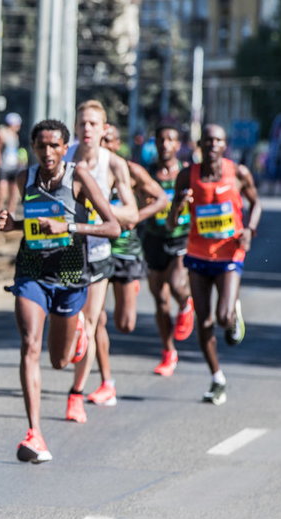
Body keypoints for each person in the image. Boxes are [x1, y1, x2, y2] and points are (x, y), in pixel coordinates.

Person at [0, 119, 121, 463]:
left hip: (69, 272)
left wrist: (68, 225)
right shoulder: (26, 178)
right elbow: (34, 223)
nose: (48, 152)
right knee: (29, 344)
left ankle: (78, 329)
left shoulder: (77, 176)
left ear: (65, 148)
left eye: (55, 146)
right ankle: (34, 432)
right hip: (32, 270)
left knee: (59, 361)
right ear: (33, 148)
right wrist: (14, 225)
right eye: (41, 146)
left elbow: (112, 226)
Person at [170, 124, 261, 406]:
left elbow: (256, 204)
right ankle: (217, 377)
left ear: (225, 145)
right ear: (200, 144)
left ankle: (233, 311)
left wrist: (250, 230)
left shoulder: (239, 173)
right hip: (198, 255)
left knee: (222, 318)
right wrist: (179, 205)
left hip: (229, 254)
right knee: (204, 320)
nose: (212, 145)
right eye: (208, 140)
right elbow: (172, 222)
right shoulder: (188, 175)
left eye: (218, 141)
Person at [62, 101, 139, 423]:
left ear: (104, 128)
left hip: (97, 255)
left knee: (91, 325)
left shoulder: (114, 164)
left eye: (94, 124)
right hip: (64, 253)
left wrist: (101, 208)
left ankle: (76, 395)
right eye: (82, 124)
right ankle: (72, 338)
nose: (87, 129)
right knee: (67, 327)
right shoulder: (63, 157)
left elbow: (131, 214)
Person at [87, 125, 167, 406]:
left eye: (109, 141)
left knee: (124, 324)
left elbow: (161, 198)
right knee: (96, 319)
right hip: (97, 250)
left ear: (117, 143)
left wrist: (135, 217)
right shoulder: (85, 169)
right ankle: (106, 381)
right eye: (101, 140)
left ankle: (130, 287)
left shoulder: (128, 169)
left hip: (125, 250)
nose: (104, 145)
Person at [141, 125, 195, 377]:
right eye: (161, 139)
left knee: (176, 283)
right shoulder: (148, 173)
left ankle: (186, 303)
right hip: (153, 238)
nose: (165, 144)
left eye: (170, 140)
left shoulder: (186, 173)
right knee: (160, 300)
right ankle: (168, 351)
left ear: (178, 145)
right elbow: (136, 199)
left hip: (180, 237)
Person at [0, 112, 24, 216]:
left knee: (14, 192)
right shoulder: (2, 133)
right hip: (4, 166)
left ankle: (11, 213)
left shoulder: (15, 135)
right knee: (2, 192)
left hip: (14, 166)